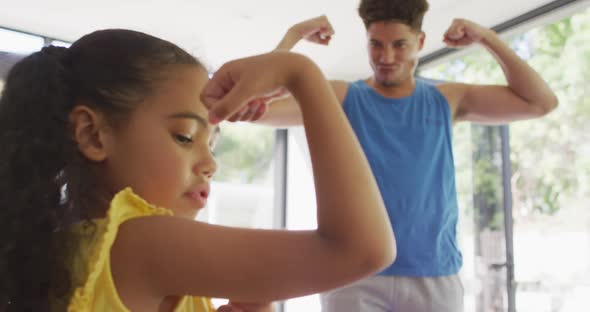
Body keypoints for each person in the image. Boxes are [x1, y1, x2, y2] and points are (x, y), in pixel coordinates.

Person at [0, 29, 396, 312]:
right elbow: (361, 250)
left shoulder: (61, 249)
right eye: (185, 136)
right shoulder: (142, 241)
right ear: (93, 135)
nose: (210, 164)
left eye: (214, 142)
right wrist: (303, 75)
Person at [234, 1, 558, 311]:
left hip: (432, 274)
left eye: (399, 45)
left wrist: (487, 38)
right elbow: (255, 108)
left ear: (420, 42)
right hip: (353, 272)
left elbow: (540, 102)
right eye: (376, 44)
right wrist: (293, 36)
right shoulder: (341, 96)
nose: (386, 57)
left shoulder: (447, 99)